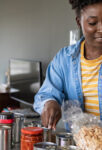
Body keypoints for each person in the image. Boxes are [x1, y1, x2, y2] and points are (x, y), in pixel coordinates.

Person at [33, 0, 102, 130]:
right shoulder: (64, 59)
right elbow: (47, 94)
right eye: (93, 23)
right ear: (79, 22)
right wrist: (50, 103)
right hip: (77, 143)